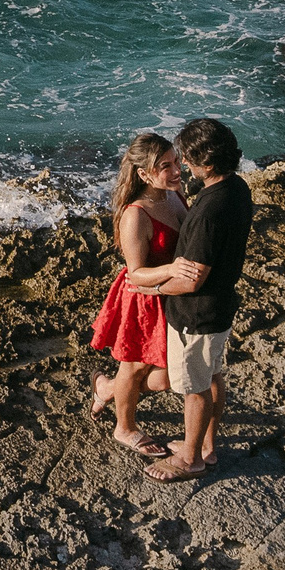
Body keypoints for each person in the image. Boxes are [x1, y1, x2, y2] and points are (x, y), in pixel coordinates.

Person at [130, 117, 251, 483]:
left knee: (194, 390)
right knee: (213, 376)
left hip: (196, 315)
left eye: (186, 160)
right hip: (221, 307)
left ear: (206, 163)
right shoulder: (237, 188)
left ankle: (190, 460)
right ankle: (206, 447)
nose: (183, 166)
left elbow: (192, 278)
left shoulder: (209, 211)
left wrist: (152, 289)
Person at [85, 132, 183, 456]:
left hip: (173, 295)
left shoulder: (174, 194)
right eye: (165, 166)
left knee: (168, 376)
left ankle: (106, 388)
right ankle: (124, 428)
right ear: (143, 174)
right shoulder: (135, 215)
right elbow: (136, 273)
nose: (177, 170)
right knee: (135, 367)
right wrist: (173, 269)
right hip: (145, 300)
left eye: (177, 161)